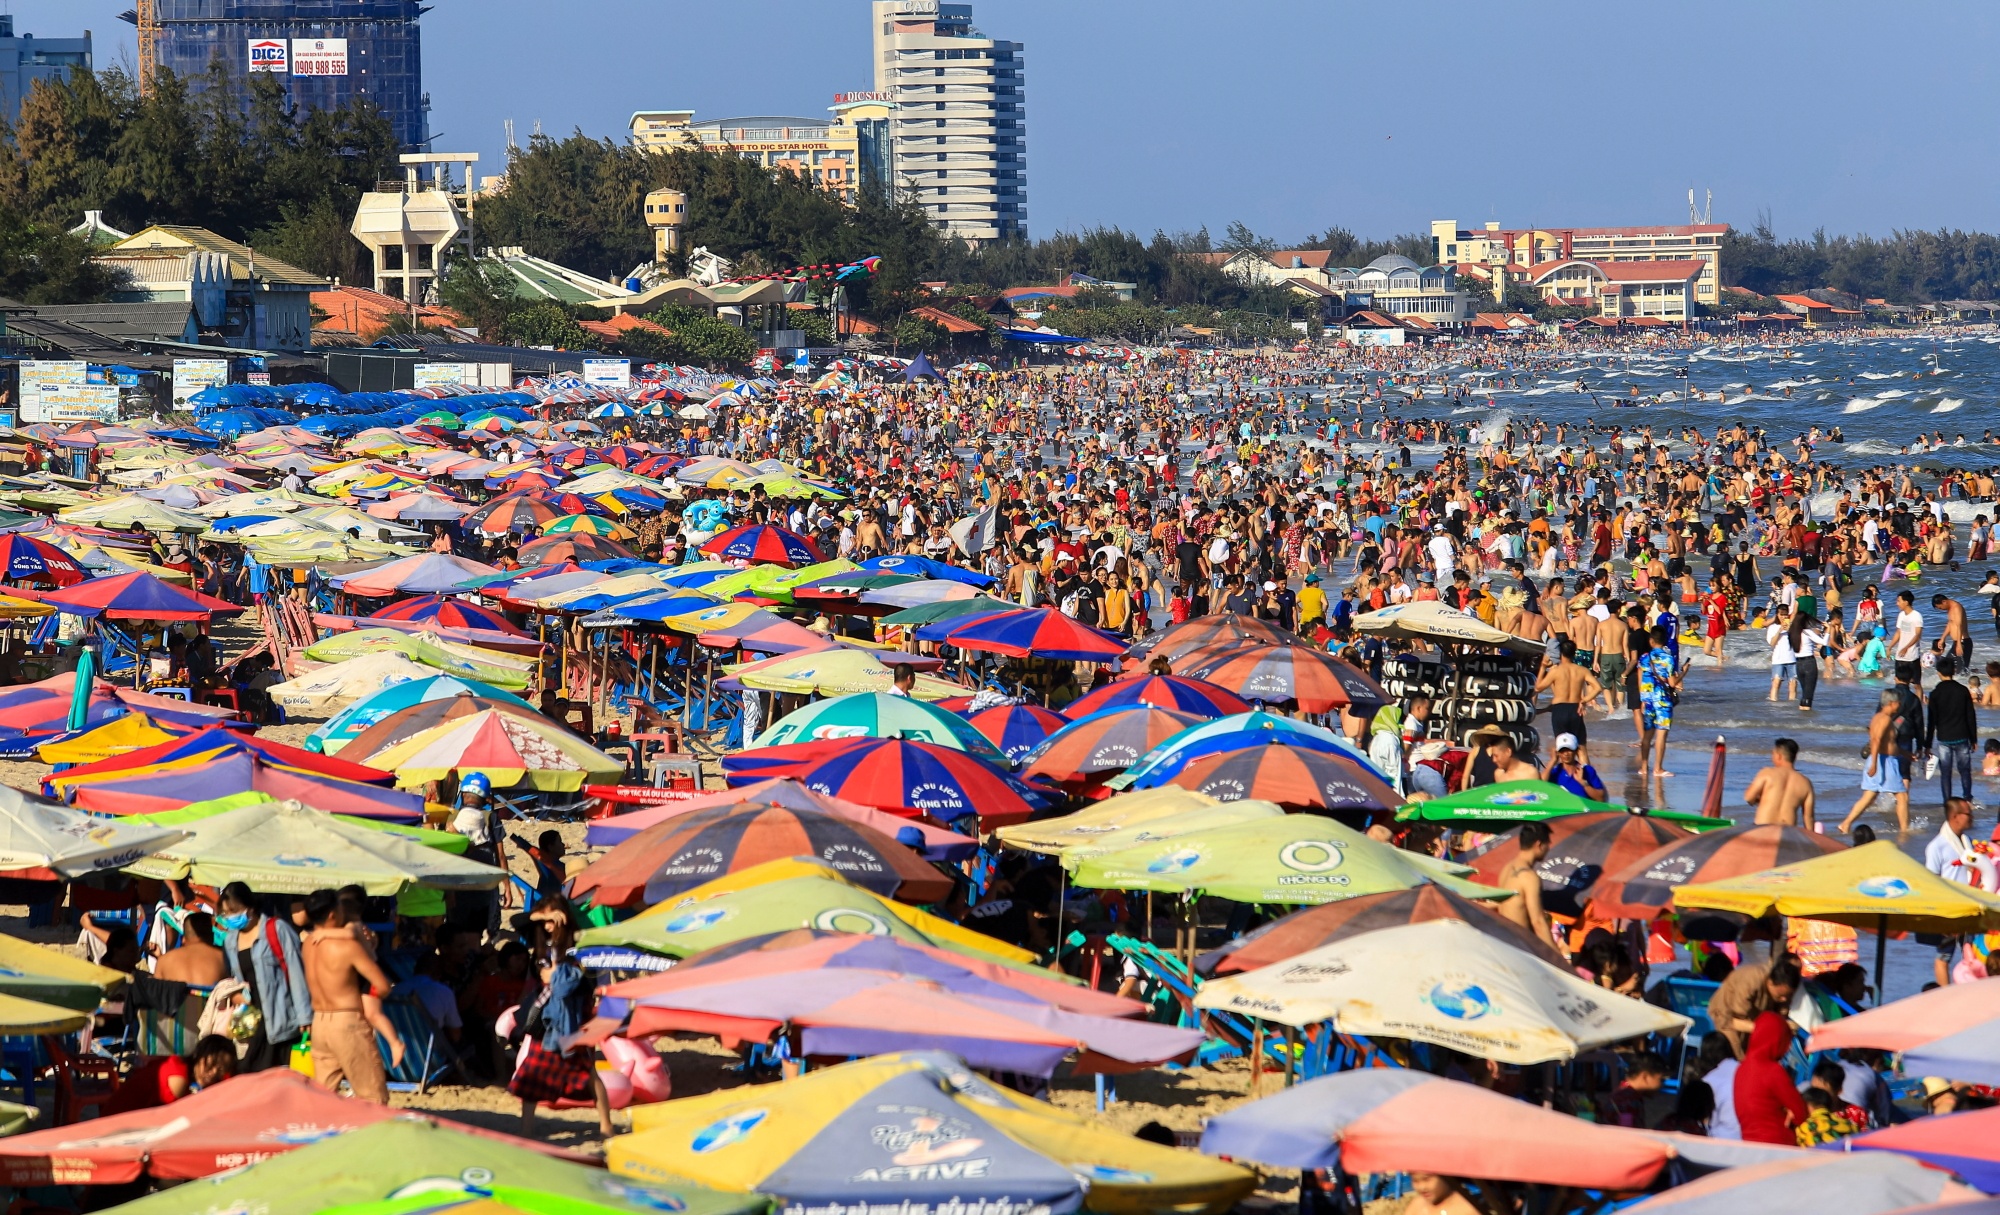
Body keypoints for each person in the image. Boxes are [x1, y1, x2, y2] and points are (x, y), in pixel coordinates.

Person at [301, 889, 392, 1103]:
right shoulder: (346, 946)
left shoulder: (308, 944)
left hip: (319, 1022)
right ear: (333, 914)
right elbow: (382, 985)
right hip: (347, 1020)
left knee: (323, 1098)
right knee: (372, 1096)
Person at [218, 882, 312, 1072]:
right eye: (225, 913)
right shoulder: (230, 940)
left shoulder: (277, 929)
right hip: (251, 1020)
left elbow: (296, 973)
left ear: (250, 908)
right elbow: (235, 979)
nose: (230, 918)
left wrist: (305, 1017)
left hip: (281, 1017)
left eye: (234, 911)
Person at [100, 1033, 238, 1114]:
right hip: (117, 1124)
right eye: (211, 1064)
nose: (213, 1073)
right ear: (199, 1055)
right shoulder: (178, 1077)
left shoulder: (182, 1067)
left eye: (220, 1070)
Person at [1923, 796, 1979, 985]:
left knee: (1971, 956)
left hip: (1970, 907)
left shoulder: (1968, 842)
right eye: (1968, 814)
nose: (1971, 817)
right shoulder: (1936, 847)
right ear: (1955, 816)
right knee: (1943, 957)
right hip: (1949, 911)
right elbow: (1931, 882)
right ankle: (1945, 996)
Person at [1734, 1011, 1810, 1145]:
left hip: (1748, 1146)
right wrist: (1789, 1111)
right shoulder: (1772, 1070)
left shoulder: (1740, 1069)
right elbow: (1800, 1113)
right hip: (1778, 1146)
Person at [1841, 689, 1910, 834]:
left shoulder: (1877, 717)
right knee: (1902, 796)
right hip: (1884, 761)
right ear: (1892, 703)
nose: (1900, 705)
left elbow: (1889, 743)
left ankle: (1845, 824)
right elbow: (1876, 740)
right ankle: (1905, 830)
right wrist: (1874, 764)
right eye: (1898, 702)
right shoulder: (1884, 719)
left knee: (1869, 797)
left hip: (1881, 759)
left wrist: (1906, 754)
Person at [1708, 955, 1802, 1060]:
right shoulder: (1751, 981)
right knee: (1738, 1057)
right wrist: (1767, 1029)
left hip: (1754, 1021)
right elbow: (1735, 1021)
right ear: (1770, 983)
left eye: (1788, 996)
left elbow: (1781, 1014)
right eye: (1781, 996)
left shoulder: (1784, 994)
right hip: (1726, 1017)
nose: (1784, 999)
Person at [1534, 640, 1607, 760]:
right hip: (1575, 709)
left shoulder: (1555, 671)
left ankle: (1564, 776)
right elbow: (1598, 688)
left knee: (1562, 747)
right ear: (1574, 653)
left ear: (1561, 654)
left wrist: (1542, 667)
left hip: (1559, 710)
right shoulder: (1582, 670)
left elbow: (1538, 687)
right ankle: (1586, 776)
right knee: (1581, 748)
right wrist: (1584, 700)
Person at [1495, 820, 1557, 949]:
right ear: (1539, 844)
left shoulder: (1506, 868)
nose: (1549, 848)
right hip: (1521, 946)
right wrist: (1558, 959)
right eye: (1548, 844)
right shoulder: (1529, 877)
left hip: (1505, 941)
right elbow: (1538, 922)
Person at [1927, 655, 1979, 806]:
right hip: (1962, 736)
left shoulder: (1935, 693)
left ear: (1938, 672)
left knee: (1946, 773)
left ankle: (1947, 802)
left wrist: (1927, 744)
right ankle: (1967, 799)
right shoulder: (1962, 691)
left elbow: (1931, 721)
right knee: (1965, 770)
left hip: (1944, 738)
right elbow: (1970, 716)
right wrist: (1973, 738)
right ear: (1954, 671)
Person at [1744, 738, 1816, 828]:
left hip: (1763, 828)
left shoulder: (1767, 773)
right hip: (1787, 832)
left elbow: (1749, 797)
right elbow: (1808, 818)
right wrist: (1809, 840)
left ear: (1779, 756)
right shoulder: (1806, 783)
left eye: (1772, 754)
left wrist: (1759, 800)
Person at [154, 910, 228, 985]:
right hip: (209, 996)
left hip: (178, 996)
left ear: (183, 939)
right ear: (212, 937)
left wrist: (160, 957)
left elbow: (156, 991)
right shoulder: (224, 958)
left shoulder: (163, 961)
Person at [1604, 1051, 1669, 1128]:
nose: (1661, 1085)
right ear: (1645, 1077)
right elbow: (1630, 1135)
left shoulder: (1622, 1092)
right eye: (1661, 1080)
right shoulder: (1629, 1101)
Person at [1542, 732, 1606, 801]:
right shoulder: (1555, 772)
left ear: (1576, 751)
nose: (1566, 754)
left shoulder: (1587, 770)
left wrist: (1583, 783)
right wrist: (1552, 761)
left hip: (1583, 810)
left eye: (1569, 750)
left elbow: (1601, 798)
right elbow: (1540, 786)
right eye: (1562, 750)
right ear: (1558, 753)